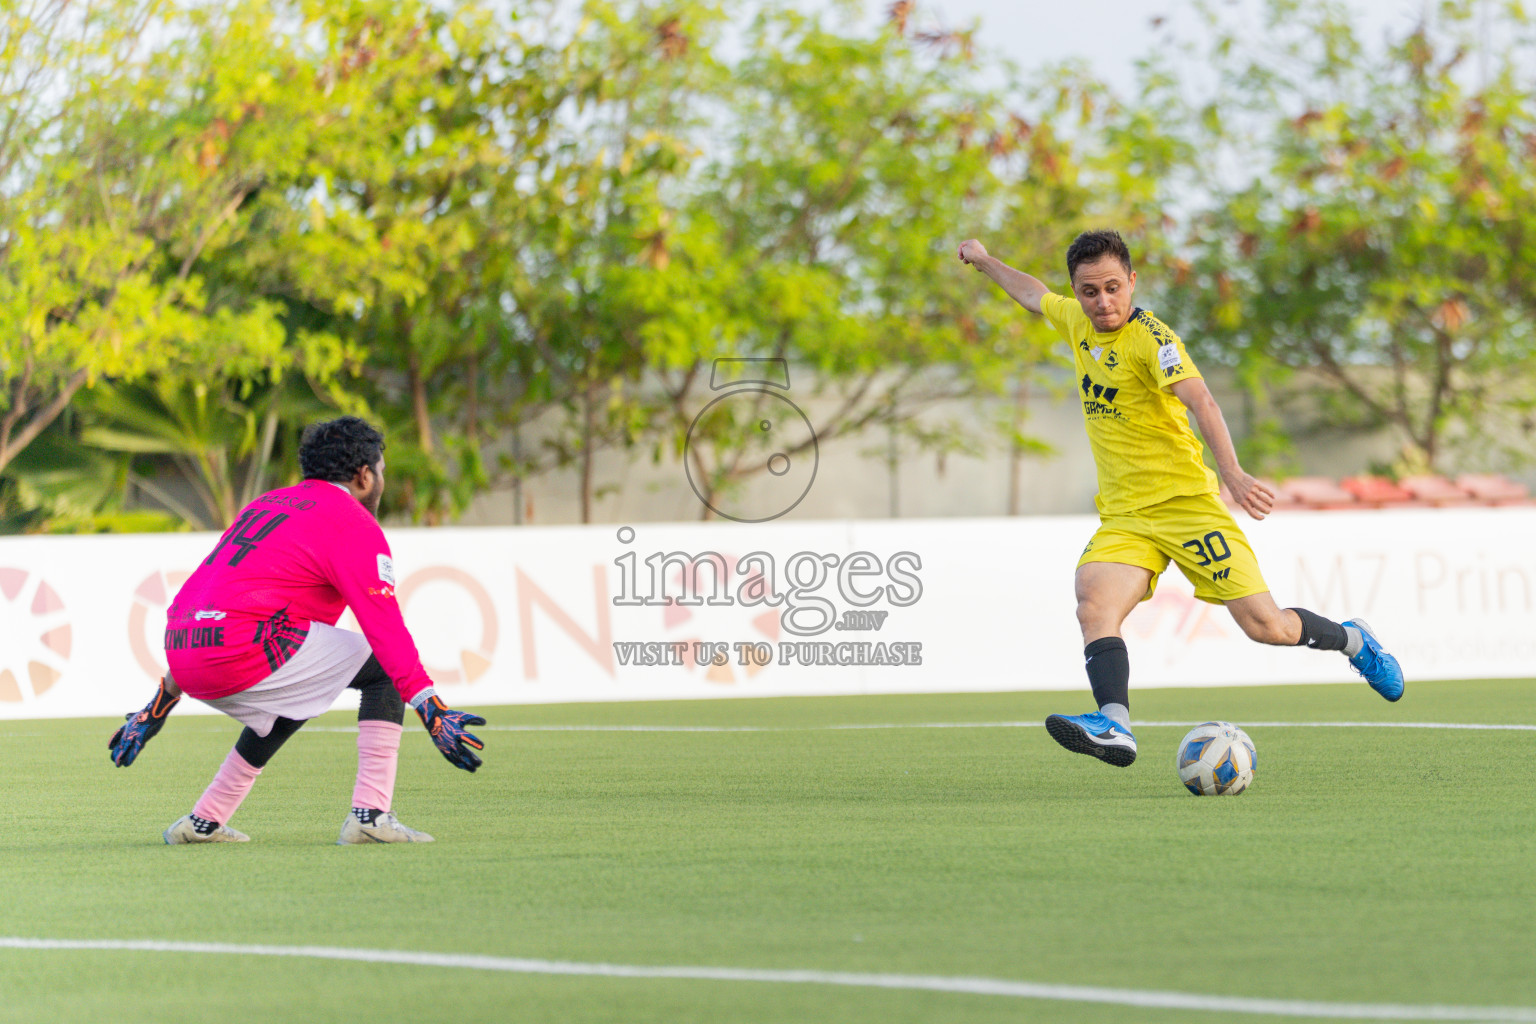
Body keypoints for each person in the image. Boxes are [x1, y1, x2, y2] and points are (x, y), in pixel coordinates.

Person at [957, 230, 1403, 767]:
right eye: (1090, 291)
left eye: (1113, 288)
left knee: (1268, 627)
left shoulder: (1153, 339)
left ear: (1132, 282)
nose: (1103, 302)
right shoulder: (1075, 320)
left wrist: (1232, 474)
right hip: (1126, 513)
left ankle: (1353, 641)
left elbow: (1202, 401)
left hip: (1186, 506)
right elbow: (1033, 294)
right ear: (1077, 292)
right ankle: (1114, 724)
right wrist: (985, 260)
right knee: (1093, 600)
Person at [108, 416, 486, 841]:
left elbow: (216, 606)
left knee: (299, 691)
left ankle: (204, 820)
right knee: (381, 668)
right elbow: (384, 627)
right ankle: (371, 816)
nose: (381, 481)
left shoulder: (266, 504)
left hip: (183, 650)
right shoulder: (353, 523)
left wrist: (157, 707)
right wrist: (431, 707)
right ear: (364, 476)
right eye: (381, 472)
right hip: (243, 648)